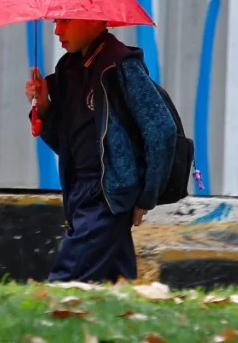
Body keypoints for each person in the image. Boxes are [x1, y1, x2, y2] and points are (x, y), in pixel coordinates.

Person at [24, 19, 177, 283]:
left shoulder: (120, 65)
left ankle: (43, 319)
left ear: (94, 19)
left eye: (66, 21)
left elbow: (162, 131)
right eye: (56, 21)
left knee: (67, 281)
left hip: (107, 193)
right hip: (78, 190)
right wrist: (45, 105)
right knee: (111, 283)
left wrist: (146, 196)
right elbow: (65, 143)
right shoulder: (68, 68)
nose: (57, 30)